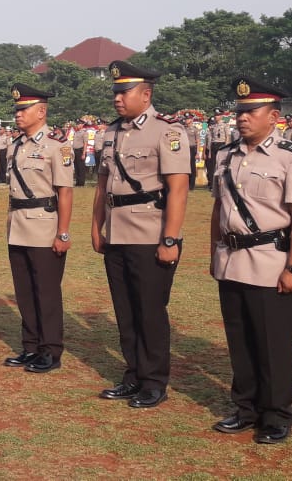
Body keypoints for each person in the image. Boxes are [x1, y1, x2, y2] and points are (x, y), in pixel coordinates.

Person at [209, 77, 292, 444]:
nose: (242, 118)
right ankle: (246, 408)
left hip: (271, 260)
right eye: (240, 112)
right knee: (240, 341)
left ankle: (276, 414)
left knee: (274, 344)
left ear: (273, 116)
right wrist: (214, 253)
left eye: (251, 112)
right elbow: (218, 209)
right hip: (232, 259)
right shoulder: (225, 155)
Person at [91, 60, 189, 409]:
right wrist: (96, 226)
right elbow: (102, 184)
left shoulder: (167, 132)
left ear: (146, 95)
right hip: (117, 231)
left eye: (124, 92)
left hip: (150, 232)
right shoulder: (111, 132)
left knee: (149, 310)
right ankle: (132, 374)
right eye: (115, 92)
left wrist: (169, 239)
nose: (117, 98)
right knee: (125, 310)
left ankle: (153, 381)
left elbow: (178, 189)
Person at [2, 84, 73, 373]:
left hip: (44, 225)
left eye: (24, 109)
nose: (18, 114)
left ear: (41, 112)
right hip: (18, 224)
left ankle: (50, 350)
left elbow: (65, 192)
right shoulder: (15, 145)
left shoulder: (57, 146)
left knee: (46, 292)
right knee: (24, 291)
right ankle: (30, 346)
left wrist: (63, 232)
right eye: (17, 109)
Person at [183, 114, 198, 190]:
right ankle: (186, 183)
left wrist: (197, 153)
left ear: (191, 120)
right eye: (185, 119)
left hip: (192, 148)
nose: (186, 120)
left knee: (192, 166)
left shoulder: (195, 129)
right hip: (184, 149)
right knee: (185, 166)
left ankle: (192, 184)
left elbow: (198, 141)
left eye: (187, 119)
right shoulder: (183, 129)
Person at [71, 120, 87, 187]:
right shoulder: (76, 132)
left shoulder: (84, 133)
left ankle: (81, 183)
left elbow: (85, 143)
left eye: (79, 124)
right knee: (76, 167)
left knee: (81, 168)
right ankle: (77, 182)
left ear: (82, 125)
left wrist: (84, 153)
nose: (77, 125)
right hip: (75, 151)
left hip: (80, 151)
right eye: (77, 124)